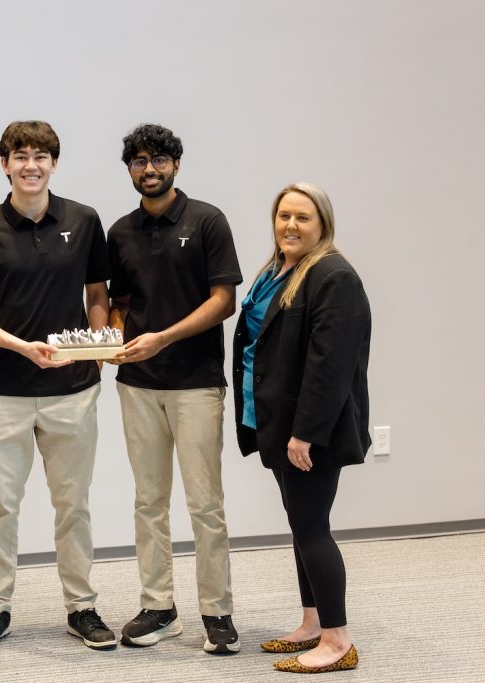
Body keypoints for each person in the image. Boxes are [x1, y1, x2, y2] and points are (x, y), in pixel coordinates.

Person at [0, 120, 115, 651]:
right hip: (2, 392)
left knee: (75, 505)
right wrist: (21, 347)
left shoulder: (85, 220)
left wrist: (95, 340)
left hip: (74, 389)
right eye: (20, 155)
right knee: (2, 504)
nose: (31, 165)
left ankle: (82, 607)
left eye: (41, 155)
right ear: (4, 164)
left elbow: (97, 293)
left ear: (54, 163)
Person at [106, 124, 242, 654]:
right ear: (130, 169)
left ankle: (218, 612)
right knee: (149, 501)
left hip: (196, 383)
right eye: (139, 161)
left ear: (176, 165)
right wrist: (115, 342)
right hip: (137, 384)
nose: (149, 168)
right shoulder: (120, 232)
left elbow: (223, 301)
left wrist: (162, 338)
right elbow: (119, 305)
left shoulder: (208, 220)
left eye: (159, 159)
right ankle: (159, 606)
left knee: (206, 504)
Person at [232, 182, 370, 674]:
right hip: (274, 421)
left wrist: (305, 433)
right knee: (300, 525)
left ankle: (338, 641)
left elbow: (330, 367)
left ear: (322, 224)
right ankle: (312, 623)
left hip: (310, 432)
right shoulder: (277, 271)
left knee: (312, 529)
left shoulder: (333, 276)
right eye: (283, 216)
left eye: (303, 218)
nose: (290, 225)